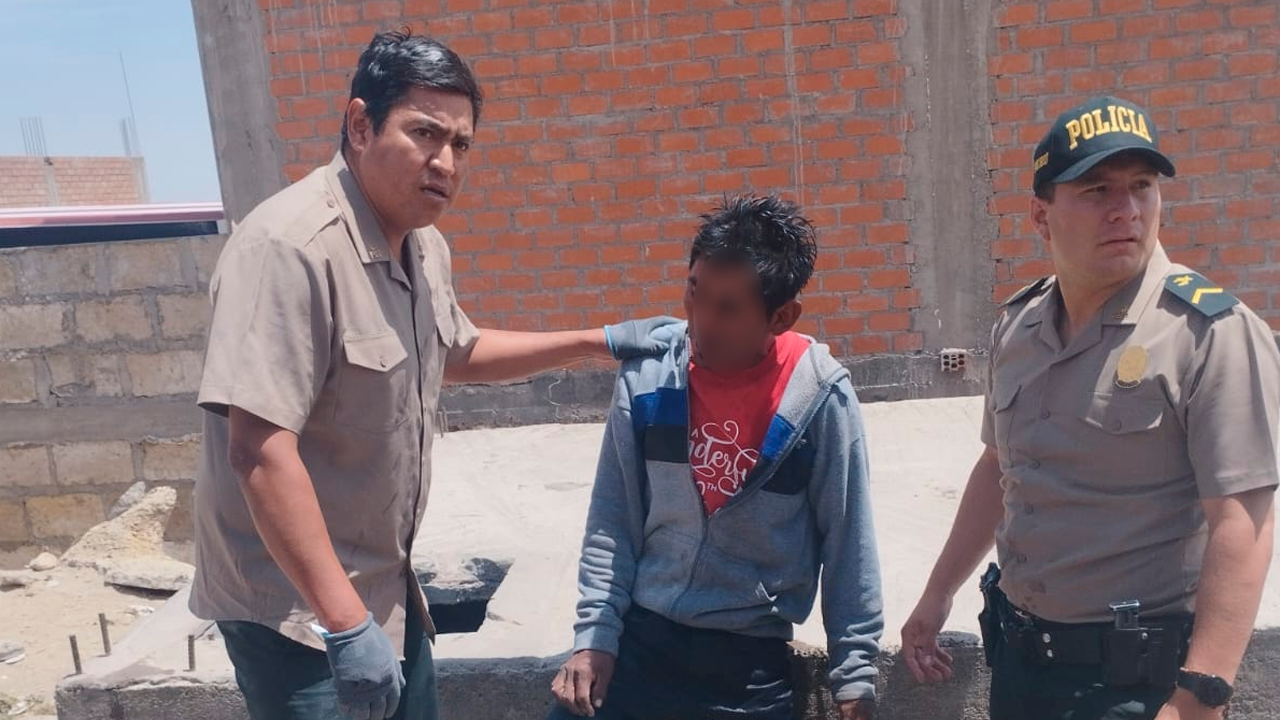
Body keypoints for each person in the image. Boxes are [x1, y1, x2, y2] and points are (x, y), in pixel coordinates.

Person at [190, 30, 673, 720]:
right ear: (361, 125)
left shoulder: (422, 247)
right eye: (424, 134)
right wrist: (343, 624)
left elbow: (456, 352)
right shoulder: (288, 249)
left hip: (385, 586)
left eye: (461, 145)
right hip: (295, 613)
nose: (445, 162)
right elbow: (259, 452)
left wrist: (599, 341)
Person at [900, 95, 1279, 720]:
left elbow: (1244, 522)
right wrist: (938, 592)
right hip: (1020, 667)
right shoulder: (1017, 327)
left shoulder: (1209, 333)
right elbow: (999, 469)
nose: (1125, 209)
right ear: (1041, 215)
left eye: (1142, 186)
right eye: (1097, 189)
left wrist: (1200, 697)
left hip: (1136, 688)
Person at [546, 195, 883, 720]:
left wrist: (854, 677)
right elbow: (613, 520)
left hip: (748, 667)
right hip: (641, 639)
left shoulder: (820, 399)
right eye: (694, 292)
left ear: (781, 317)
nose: (700, 322)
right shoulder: (648, 378)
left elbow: (848, 540)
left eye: (727, 308)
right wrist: (595, 638)